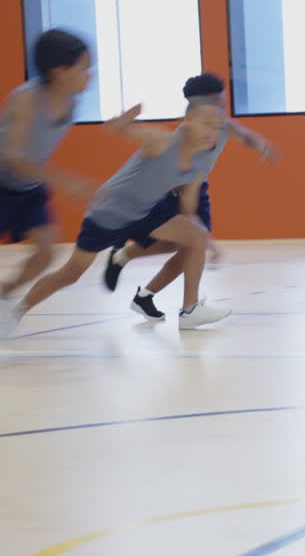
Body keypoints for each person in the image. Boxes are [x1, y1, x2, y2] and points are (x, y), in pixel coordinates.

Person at [1, 102, 232, 337]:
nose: (212, 132)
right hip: (108, 212)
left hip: (144, 213)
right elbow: (113, 128)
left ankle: (190, 310)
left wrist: (209, 244)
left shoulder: (198, 166)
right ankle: (16, 312)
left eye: (217, 127)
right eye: (206, 124)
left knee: (194, 237)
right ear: (188, 121)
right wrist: (124, 119)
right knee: (71, 273)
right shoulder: (162, 142)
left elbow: (189, 211)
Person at [103, 73, 278, 319]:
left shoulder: (222, 124)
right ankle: (188, 309)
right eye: (217, 101)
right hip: (176, 189)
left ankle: (142, 291)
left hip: (197, 187)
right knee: (195, 243)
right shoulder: (186, 135)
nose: (222, 105)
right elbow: (179, 178)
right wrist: (209, 240)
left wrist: (262, 146)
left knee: (188, 248)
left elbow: (244, 135)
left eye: (223, 100)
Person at [0, 29, 96, 301]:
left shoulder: (71, 103)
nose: (90, 75)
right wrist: (66, 182)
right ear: (59, 72)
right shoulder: (26, 99)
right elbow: (13, 157)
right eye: (83, 68)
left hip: (28, 189)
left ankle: (3, 294)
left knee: (46, 254)